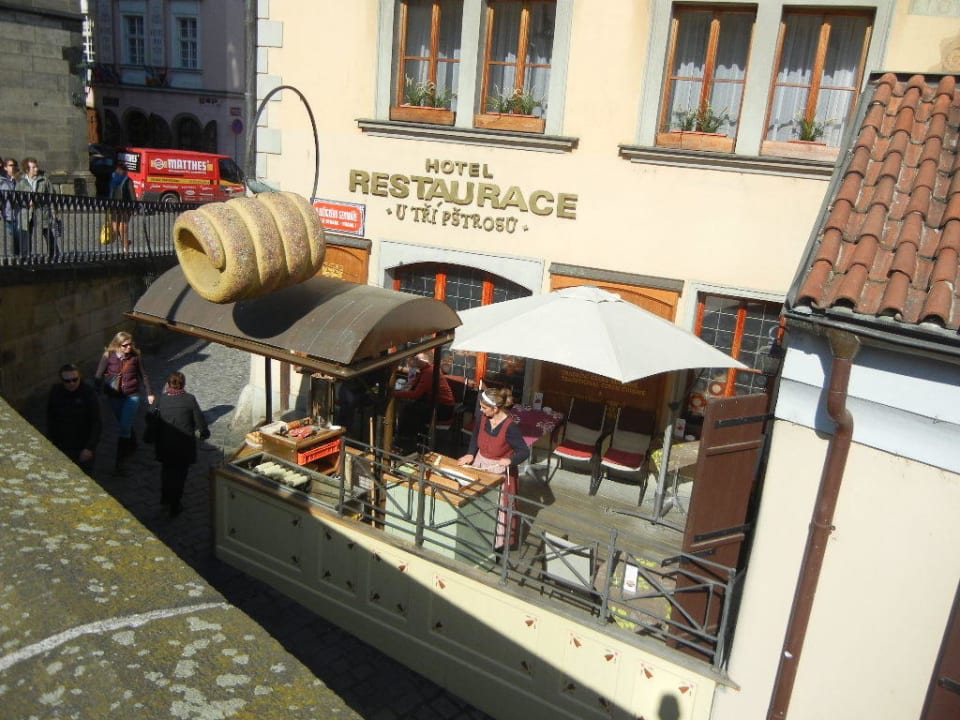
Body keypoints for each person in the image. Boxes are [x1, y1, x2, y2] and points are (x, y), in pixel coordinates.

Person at [458, 386, 529, 551]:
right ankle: (473, 537)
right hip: (480, 464)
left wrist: (510, 460)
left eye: (484, 407)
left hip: (499, 472)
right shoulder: (483, 418)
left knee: (497, 509)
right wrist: (470, 454)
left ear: (495, 409)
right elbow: (475, 436)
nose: (481, 410)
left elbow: (524, 451)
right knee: (475, 502)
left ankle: (497, 545)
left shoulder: (510, 427)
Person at [149, 371, 209, 517]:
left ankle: (165, 499)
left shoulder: (160, 399)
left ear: (168, 384)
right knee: (180, 476)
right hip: (183, 445)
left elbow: (150, 417)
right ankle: (175, 504)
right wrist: (204, 433)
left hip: (164, 444)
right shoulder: (189, 399)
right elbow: (200, 421)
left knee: (166, 472)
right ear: (183, 384)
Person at [95, 331, 155, 472]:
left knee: (124, 427)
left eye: (130, 344)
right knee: (124, 423)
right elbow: (98, 375)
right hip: (114, 396)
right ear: (117, 345)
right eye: (125, 345)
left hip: (132, 395)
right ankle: (132, 444)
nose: (129, 347)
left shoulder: (135, 356)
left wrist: (149, 393)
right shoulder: (108, 355)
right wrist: (96, 392)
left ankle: (120, 463)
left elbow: (143, 375)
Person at [46, 363, 102, 476]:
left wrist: (89, 447)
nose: (72, 383)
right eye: (67, 381)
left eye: (75, 379)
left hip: (82, 446)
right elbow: (50, 418)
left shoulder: (88, 393)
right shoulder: (56, 392)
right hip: (62, 445)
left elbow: (97, 422)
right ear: (62, 380)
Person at [393, 352, 456, 453]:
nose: (414, 361)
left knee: (408, 410)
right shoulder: (427, 370)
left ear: (424, 361)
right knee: (409, 408)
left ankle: (406, 441)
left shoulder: (429, 372)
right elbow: (415, 385)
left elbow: (416, 394)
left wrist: (395, 393)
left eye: (417, 359)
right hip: (438, 404)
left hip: (443, 409)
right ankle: (409, 439)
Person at [16, 156, 56, 258]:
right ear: (27, 169)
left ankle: (54, 253)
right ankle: (25, 255)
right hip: (26, 212)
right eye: (33, 167)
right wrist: (26, 202)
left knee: (47, 232)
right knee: (26, 233)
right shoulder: (21, 182)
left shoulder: (44, 180)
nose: (36, 169)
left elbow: (52, 195)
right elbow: (16, 198)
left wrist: (53, 211)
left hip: (42, 210)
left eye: (36, 166)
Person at [109, 163, 135, 250]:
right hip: (120, 205)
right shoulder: (122, 180)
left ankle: (125, 246)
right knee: (119, 228)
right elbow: (132, 194)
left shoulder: (116, 179)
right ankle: (125, 244)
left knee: (120, 227)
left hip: (120, 206)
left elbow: (132, 194)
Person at [1, 158, 17, 255]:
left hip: (19, 214)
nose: (13, 167)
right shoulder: (2, 181)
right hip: (7, 214)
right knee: (11, 238)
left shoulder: (19, 180)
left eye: (14, 165)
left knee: (19, 239)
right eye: (11, 165)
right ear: (5, 167)